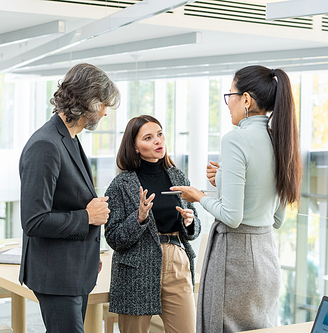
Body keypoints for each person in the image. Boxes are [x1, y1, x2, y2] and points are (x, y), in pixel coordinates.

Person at [172, 65, 302, 333]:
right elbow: (277, 218)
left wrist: (197, 196)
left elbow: (232, 216)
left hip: (236, 261)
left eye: (230, 94)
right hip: (266, 259)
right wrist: (222, 180)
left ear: (246, 99)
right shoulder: (280, 140)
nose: (227, 102)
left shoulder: (235, 139)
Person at [18, 63, 120, 332]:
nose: (106, 112)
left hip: (74, 270)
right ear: (89, 101)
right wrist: (88, 217)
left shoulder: (70, 138)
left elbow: (67, 201)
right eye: (104, 105)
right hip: (56, 276)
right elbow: (34, 220)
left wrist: (88, 253)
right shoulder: (45, 145)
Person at [104, 115, 201, 333]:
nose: (158, 141)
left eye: (159, 134)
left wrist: (190, 222)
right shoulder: (120, 184)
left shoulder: (177, 176)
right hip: (136, 266)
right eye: (148, 138)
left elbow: (194, 226)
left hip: (176, 261)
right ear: (135, 147)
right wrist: (138, 218)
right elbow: (113, 237)